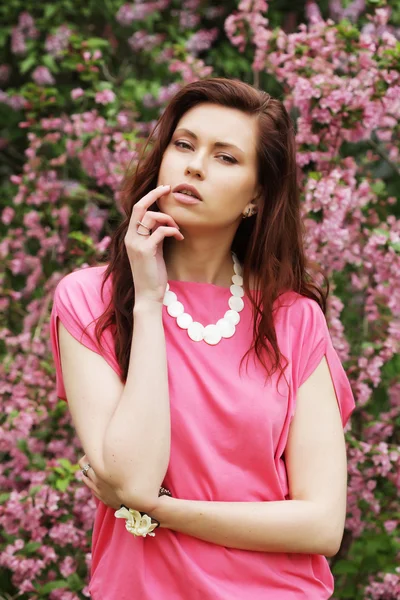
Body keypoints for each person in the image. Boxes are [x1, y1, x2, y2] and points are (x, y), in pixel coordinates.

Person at [49, 77, 356, 600]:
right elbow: (134, 477)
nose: (194, 166)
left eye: (226, 157)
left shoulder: (294, 320)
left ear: (256, 197)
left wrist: (161, 511)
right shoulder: (89, 300)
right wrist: (147, 302)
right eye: (184, 145)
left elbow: (322, 525)